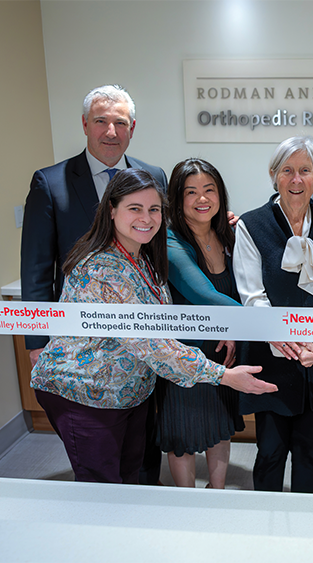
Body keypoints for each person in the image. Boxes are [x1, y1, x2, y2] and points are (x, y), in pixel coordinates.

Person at [29, 168, 276, 484]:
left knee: (132, 478)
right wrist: (225, 376)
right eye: (135, 208)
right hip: (85, 393)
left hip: (130, 392)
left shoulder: (141, 255)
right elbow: (153, 344)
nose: (146, 218)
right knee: (100, 487)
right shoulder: (101, 269)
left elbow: (161, 327)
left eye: (154, 209)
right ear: (111, 210)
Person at [20, 84, 168, 485]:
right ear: (85, 124)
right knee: (99, 459)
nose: (110, 131)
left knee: (138, 452)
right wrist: (37, 340)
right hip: (84, 352)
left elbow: (162, 246)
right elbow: (35, 267)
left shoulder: (152, 176)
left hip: (136, 354)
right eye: (101, 121)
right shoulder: (50, 183)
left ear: (132, 128)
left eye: (120, 123)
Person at [233, 136, 313, 493]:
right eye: (287, 171)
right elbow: (253, 297)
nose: (296, 180)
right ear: (273, 176)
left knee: (310, 451)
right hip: (273, 357)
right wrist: (293, 344)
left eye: (305, 170)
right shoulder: (250, 225)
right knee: (270, 451)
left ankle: (305, 527)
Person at [155, 158, 244, 489]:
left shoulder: (230, 235)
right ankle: (186, 500)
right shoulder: (170, 241)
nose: (202, 198)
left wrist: (236, 330)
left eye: (209, 190)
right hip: (185, 356)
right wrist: (256, 326)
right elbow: (203, 294)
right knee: (184, 431)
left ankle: (217, 491)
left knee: (220, 424)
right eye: (190, 192)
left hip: (223, 351)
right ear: (177, 200)